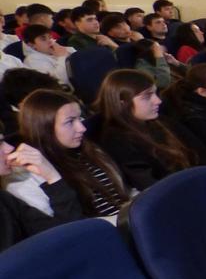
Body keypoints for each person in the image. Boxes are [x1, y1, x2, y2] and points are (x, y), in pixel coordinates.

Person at [16, 89, 130, 219]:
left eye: (80, 118)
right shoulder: (34, 177)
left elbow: (123, 198)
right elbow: (71, 228)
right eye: (70, 122)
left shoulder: (88, 150)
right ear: (44, 129)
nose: (82, 128)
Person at [93, 69, 205, 188]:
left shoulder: (161, 121)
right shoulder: (118, 142)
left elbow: (200, 153)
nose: (158, 101)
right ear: (122, 103)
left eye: (155, 93)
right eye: (147, 97)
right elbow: (153, 188)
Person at [0, 123, 84, 252]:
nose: (9, 148)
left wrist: (52, 177)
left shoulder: (5, 200)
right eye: (0, 144)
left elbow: (69, 234)